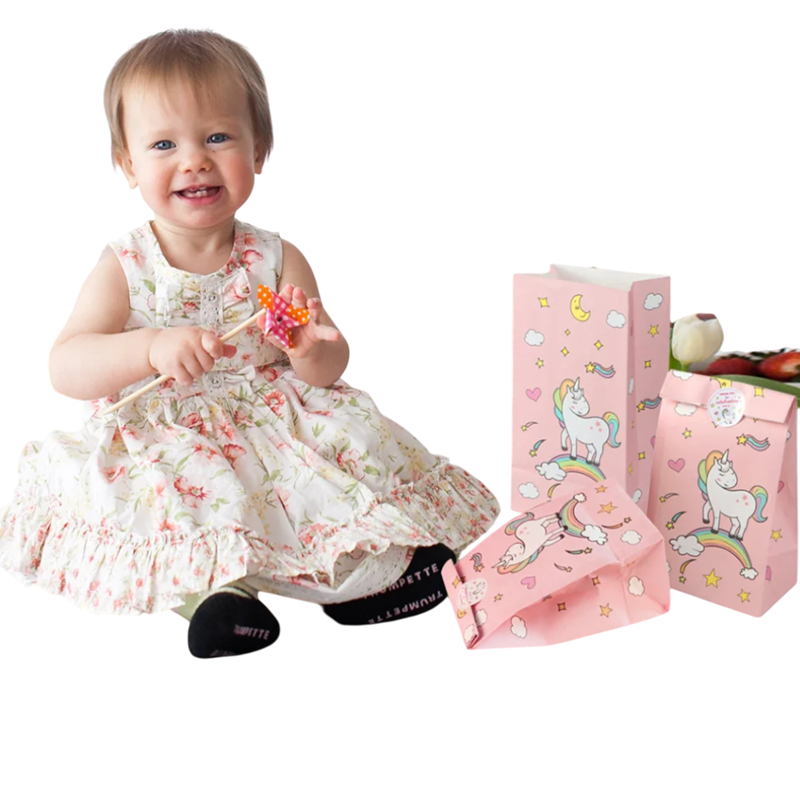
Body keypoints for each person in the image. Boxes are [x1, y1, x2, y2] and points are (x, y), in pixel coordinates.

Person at [0, 28, 499, 659]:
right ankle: (217, 598)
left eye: (217, 137)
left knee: (328, 481)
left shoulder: (276, 256)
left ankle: (362, 580)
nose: (194, 161)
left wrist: (310, 348)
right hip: (167, 431)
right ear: (127, 164)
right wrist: (147, 347)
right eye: (164, 144)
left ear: (258, 149)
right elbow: (66, 365)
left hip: (272, 425)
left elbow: (325, 369)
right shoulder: (126, 264)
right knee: (180, 502)